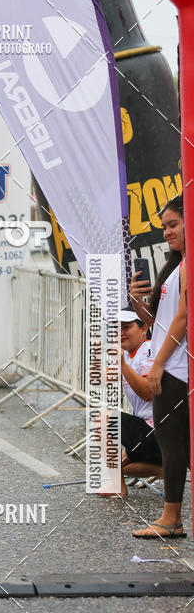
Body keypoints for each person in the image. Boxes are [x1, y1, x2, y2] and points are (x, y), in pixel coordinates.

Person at [129, 194, 188, 538]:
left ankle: (171, 518)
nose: (166, 232)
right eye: (164, 226)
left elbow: (183, 319)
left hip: (176, 369)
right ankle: (172, 519)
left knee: (172, 443)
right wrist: (139, 307)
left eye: (173, 224)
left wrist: (159, 364)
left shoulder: (189, 263)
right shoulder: (176, 266)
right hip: (170, 365)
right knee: (178, 444)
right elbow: (162, 323)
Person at [113, 309, 163, 497]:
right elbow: (101, 378)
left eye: (126, 327)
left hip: (157, 430)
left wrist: (123, 366)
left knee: (102, 420)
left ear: (144, 328)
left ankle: (117, 488)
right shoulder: (129, 353)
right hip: (149, 429)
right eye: (117, 328)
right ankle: (167, 470)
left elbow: (147, 394)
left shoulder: (148, 350)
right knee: (117, 463)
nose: (121, 332)